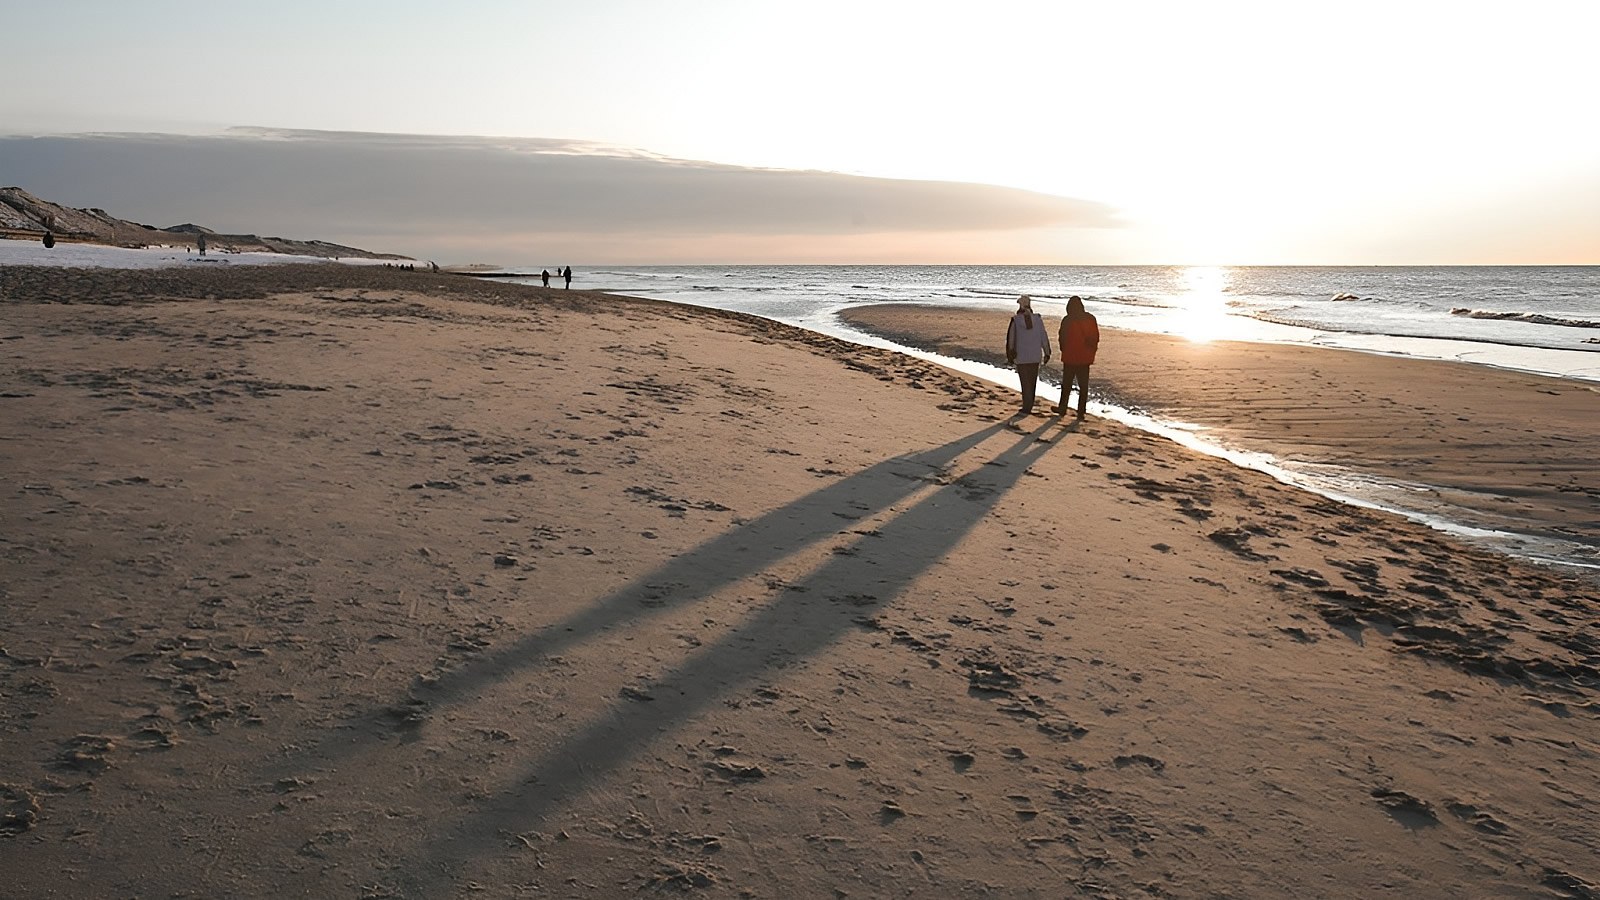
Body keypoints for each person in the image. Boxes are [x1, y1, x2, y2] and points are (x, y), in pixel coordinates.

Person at [1004, 295, 1051, 417]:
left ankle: (1026, 406)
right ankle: (1029, 405)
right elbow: (1043, 337)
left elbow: (1011, 340)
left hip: (1022, 356)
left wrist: (1010, 355)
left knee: (1025, 383)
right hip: (1035, 355)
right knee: (1032, 382)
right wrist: (1047, 352)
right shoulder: (1038, 320)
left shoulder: (1015, 320)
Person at [1054, 295, 1100, 418]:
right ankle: (1081, 412)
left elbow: (1062, 338)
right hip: (1085, 358)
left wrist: (1064, 349)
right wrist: (1091, 352)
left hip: (1070, 357)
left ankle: (1062, 408)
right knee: (1083, 386)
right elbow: (1095, 338)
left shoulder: (1067, 320)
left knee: (1066, 385)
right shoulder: (1090, 319)